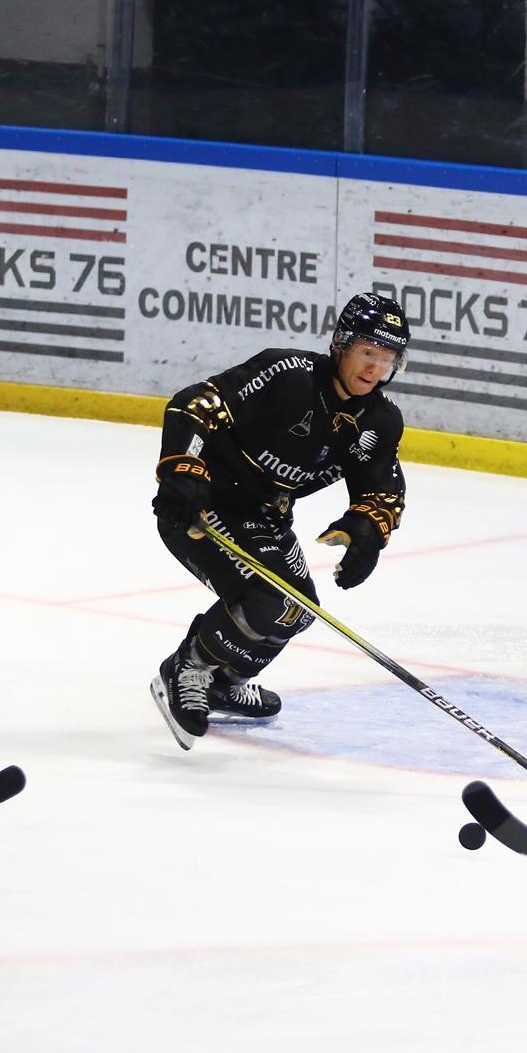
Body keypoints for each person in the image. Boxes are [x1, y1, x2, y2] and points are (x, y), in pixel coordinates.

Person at [149, 292, 411, 750]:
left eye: (386, 358)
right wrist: (183, 472)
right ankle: (186, 668)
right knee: (269, 600)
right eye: (368, 352)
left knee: (298, 610)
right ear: (341, 345)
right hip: (202, 509)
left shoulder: (379, 420)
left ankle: (224, 683)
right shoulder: (287, 373)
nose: (375, 368)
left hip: (266, 517)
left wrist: (368, 530)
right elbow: (195, 405)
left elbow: (382, 490)